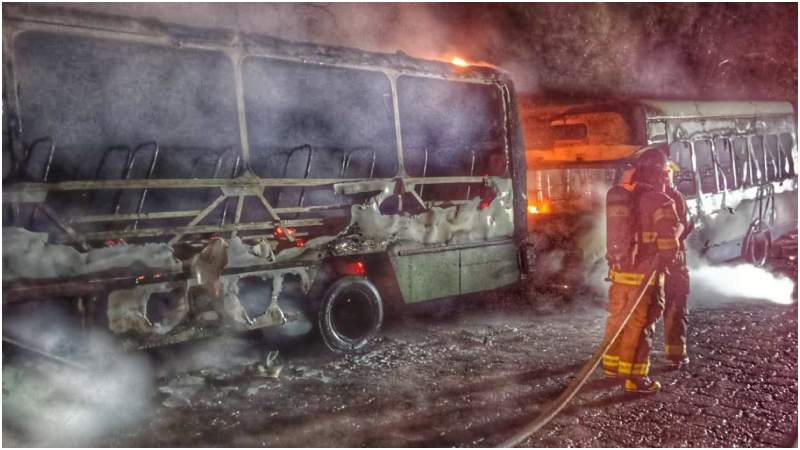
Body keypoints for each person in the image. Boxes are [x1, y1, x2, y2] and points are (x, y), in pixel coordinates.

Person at [601, 147, 684, 394]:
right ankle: (635, 379)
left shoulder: (620, 196)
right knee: (641, 325)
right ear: (660, 174)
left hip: (619, 274)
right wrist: (675, 255)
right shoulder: (661, 201)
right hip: (645, 278)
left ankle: (611, 367)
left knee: (617, 319)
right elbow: (668, 245)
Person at [663, 161, 694, 369]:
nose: (668, 177)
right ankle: (676, 355)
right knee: (676, 306)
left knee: (640, 312)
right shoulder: (674, 197)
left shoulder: (638, 195)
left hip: (648, 263)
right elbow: (686, 223)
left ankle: (626, 358)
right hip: (673, 261)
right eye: (667, 173)